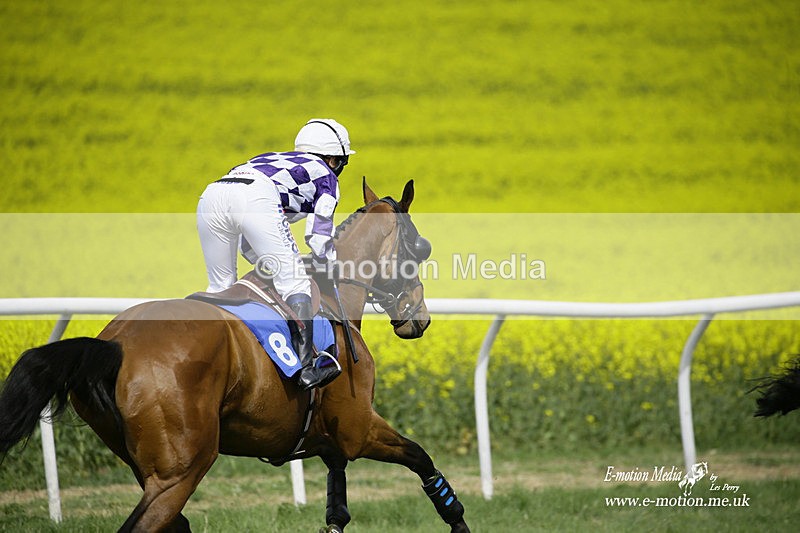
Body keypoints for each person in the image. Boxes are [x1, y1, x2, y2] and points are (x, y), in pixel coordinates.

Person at [196, 118, 354, 390]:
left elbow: (249, 244)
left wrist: (271, 263)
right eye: (340, 163)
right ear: (332, 159)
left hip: (211, 195)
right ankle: (307, 369)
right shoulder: (326, 176)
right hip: (254, 196)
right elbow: (318, 237)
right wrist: (328, 264)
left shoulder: (269, 159)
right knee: (296, 283)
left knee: (221, 287)